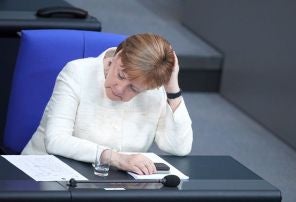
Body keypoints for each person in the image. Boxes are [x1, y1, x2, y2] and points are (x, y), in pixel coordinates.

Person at [21, 33, 193, 175]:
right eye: (120, 75)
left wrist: (172, 88)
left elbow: (179, 147)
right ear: (118, 55)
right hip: (46, 174)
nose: (120, 89)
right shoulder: (78, 73)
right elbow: (56, 140)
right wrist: (115, 158)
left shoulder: (152, 90)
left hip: (109, 181)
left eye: (133, 89)